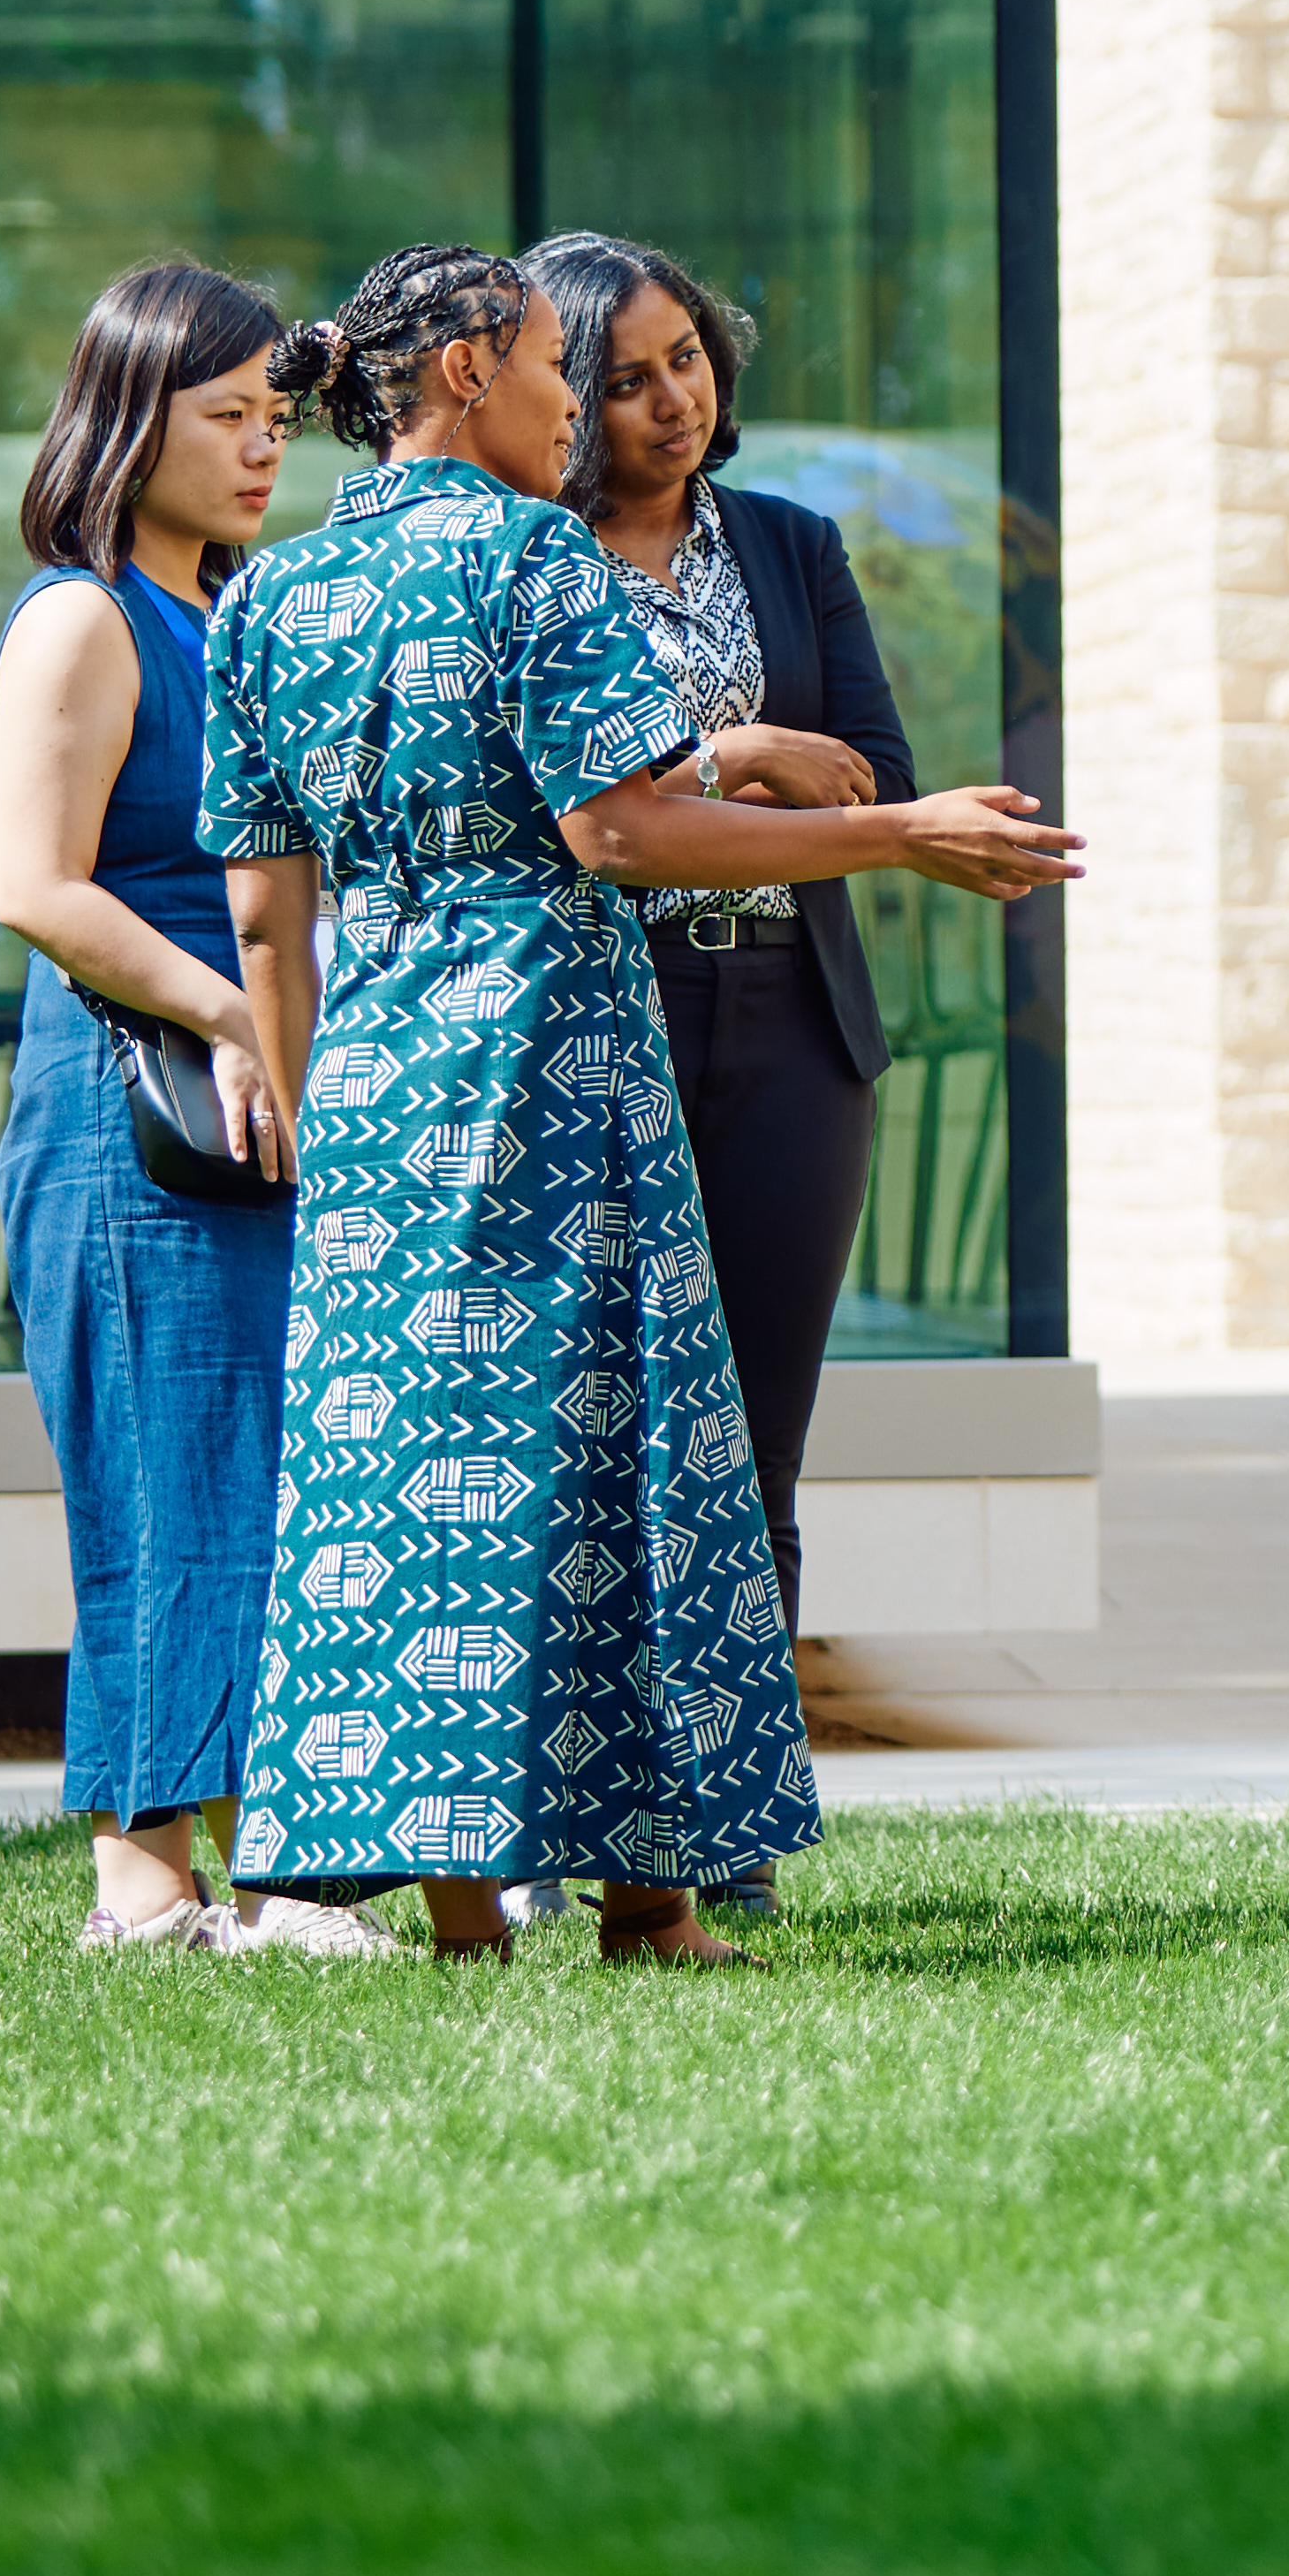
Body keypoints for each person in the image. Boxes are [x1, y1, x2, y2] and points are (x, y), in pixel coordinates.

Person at [203, 244, 1082, 1964]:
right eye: (552, 366)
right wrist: (900, 831)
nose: (570, 405)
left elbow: (259, 911)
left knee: (410, 1471)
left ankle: (462, 1903)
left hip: (380, 1084)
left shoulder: (268, 597)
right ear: (463, 368)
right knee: (630, 1459)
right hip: (555, 1058)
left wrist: (314, 1111)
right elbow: (629, 829)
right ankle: (655, 1904)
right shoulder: (536, 554)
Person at [0, 261, 363, 1958]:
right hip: (129, 1097)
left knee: (265, 1474)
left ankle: (270, 1863)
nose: (262, 448)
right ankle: (143, 1875)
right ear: (132, 423)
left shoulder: (238, 612)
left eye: (276, 416)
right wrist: (220, 1005)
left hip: (256, 1084)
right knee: (160, 1471)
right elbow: (35, 884)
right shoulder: (83, 616)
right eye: (225, 418)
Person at [527, 232, 910, 1666]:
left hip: (794, 1015)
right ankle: (582, 1837)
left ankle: (728, 1835)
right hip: (593, 1009)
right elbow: (558, 812)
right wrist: (735, 756)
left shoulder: (789, 545)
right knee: (588, 1438)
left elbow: (870, 770)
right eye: (625, 379)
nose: (669, 398)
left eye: (684, 357)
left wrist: (687, 786)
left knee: (753, 1443)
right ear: (564, 394)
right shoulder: (529, 564)